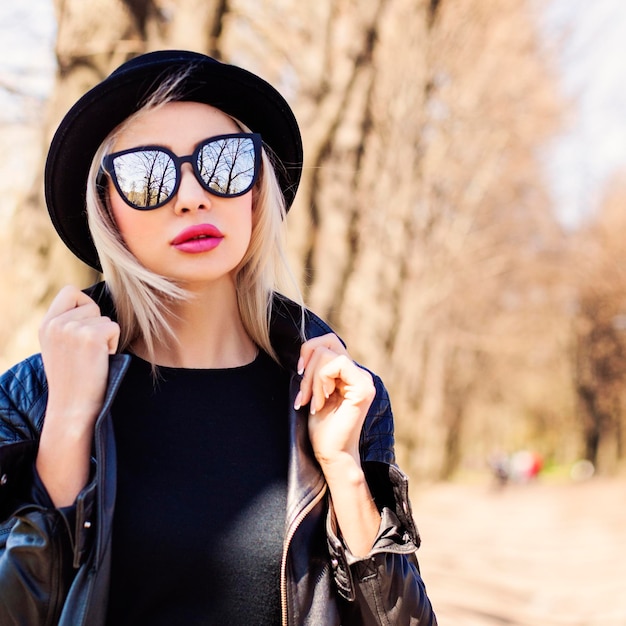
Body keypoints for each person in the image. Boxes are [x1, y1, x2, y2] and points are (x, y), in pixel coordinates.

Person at [0, 50, 436, 625]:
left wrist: (344, 470)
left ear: (257, 192)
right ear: (106, 206)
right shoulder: (31, 396)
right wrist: (67, 424)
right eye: (146, 175)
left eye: (225, 161)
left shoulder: (338, 396)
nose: (191, 195)